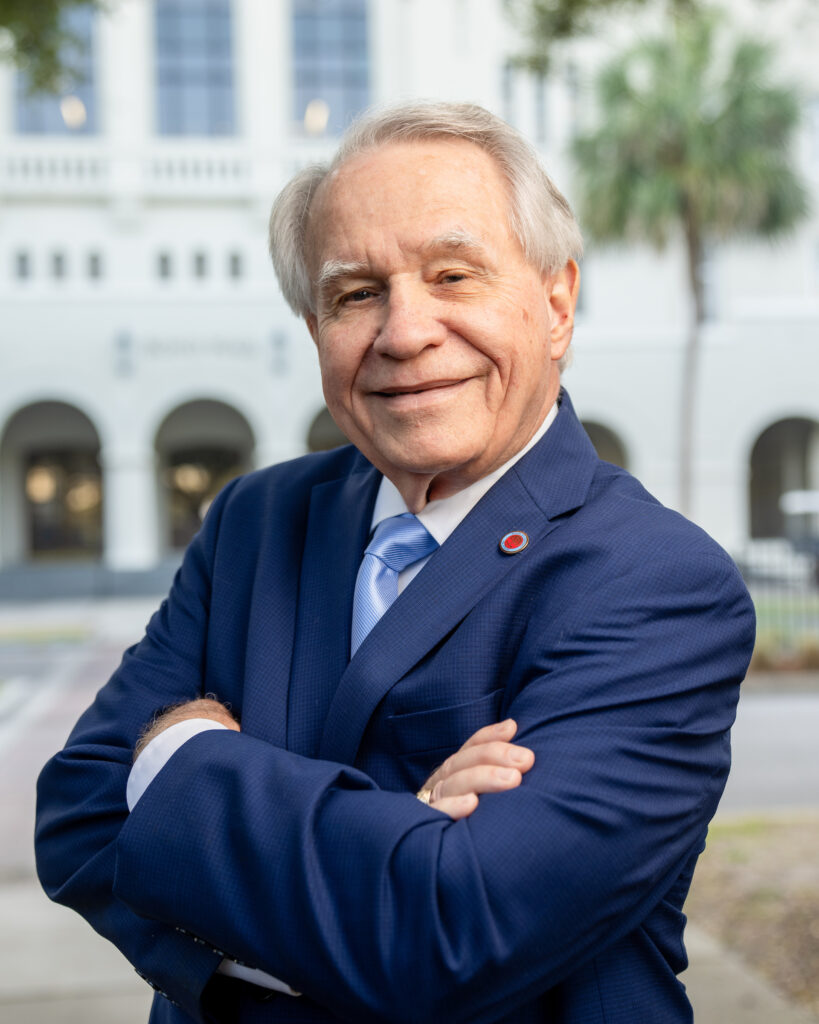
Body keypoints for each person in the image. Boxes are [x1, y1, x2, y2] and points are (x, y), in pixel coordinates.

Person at [35, 101, 755, 1024]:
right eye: (355, 293)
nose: (405, 332)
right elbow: (78, 814)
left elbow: (451, 931)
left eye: (453, 275)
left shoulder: (653, 580)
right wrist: (403, 828)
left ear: (555, 303)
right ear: (315, 329)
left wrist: (183, 754)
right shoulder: (256, 520)